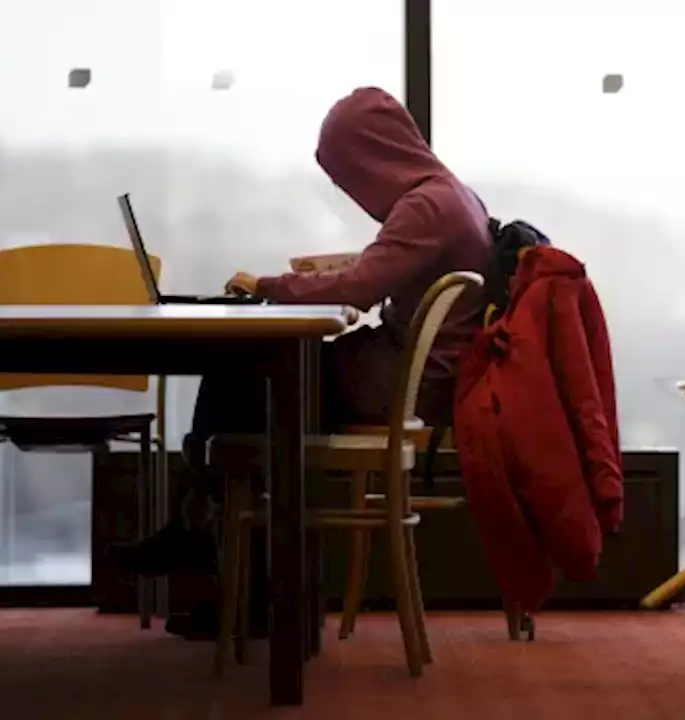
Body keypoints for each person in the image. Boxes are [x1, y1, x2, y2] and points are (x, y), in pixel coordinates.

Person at [109, 87, 492, 638]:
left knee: (242, 377)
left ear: (376, 155)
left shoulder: (426, 205)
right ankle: (235, 569)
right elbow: (382, 269)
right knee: (250, 393)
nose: (350, 188)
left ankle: (214, 542)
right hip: (407, 371)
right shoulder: (452, 196)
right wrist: (326, 274)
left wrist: (268, 286)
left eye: (349, 173)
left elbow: (361, 289)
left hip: (399, 381)